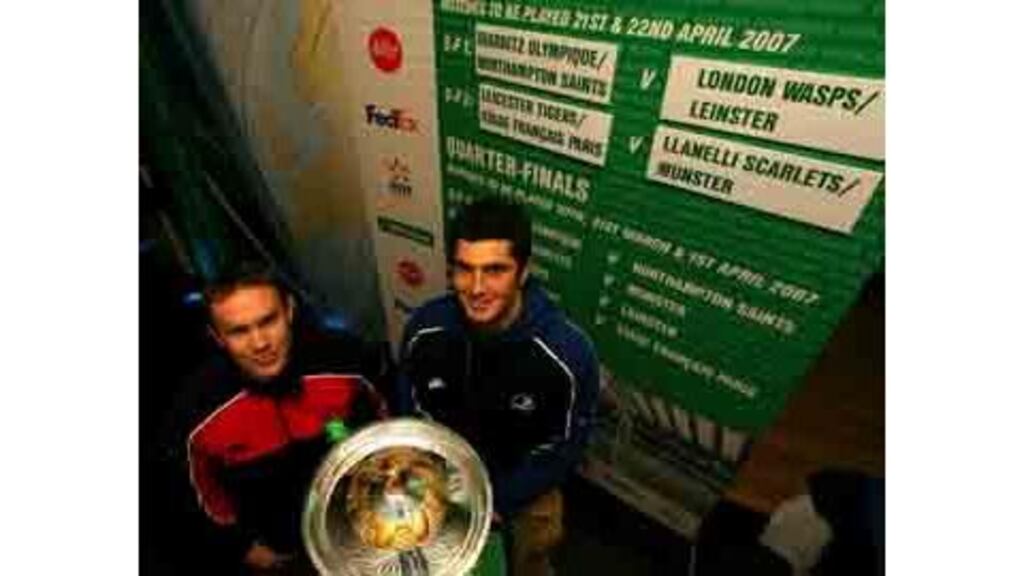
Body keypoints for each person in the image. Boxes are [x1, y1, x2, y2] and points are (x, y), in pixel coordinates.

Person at [396, 196, 599, 576]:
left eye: (495, 270)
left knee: (530, 561)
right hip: (441, 482)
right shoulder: (425, 328)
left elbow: (567, 445)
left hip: (523, 492)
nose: (476, 288)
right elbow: (411, 404)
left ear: (523, 272)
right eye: (464, 270)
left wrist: (497, 501)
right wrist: (437, 483)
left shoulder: (568, 353)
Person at [166, 263, 386, 574]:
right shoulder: (196, 412)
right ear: (217, 337)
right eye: (238, 331)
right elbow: (197, 493)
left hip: (358, 527)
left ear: (290, 311)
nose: (260, 344)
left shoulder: (346, 358)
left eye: (268, 321)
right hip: (281, 554)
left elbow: (387, 425)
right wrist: (240, 545)